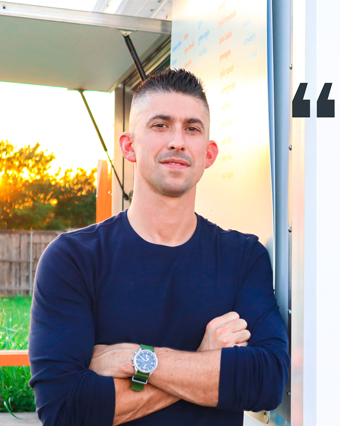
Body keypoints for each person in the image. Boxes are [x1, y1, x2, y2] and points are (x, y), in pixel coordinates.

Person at [28, 68, 289, 426]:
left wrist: (138, 359)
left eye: (192, 129)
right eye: (160, 125)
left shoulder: (242, 257)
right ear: (129, 146)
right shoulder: (73, 258)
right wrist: (202, 360)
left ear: (209, 153)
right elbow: (65, 410)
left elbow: (268, 380)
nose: (178, 141)